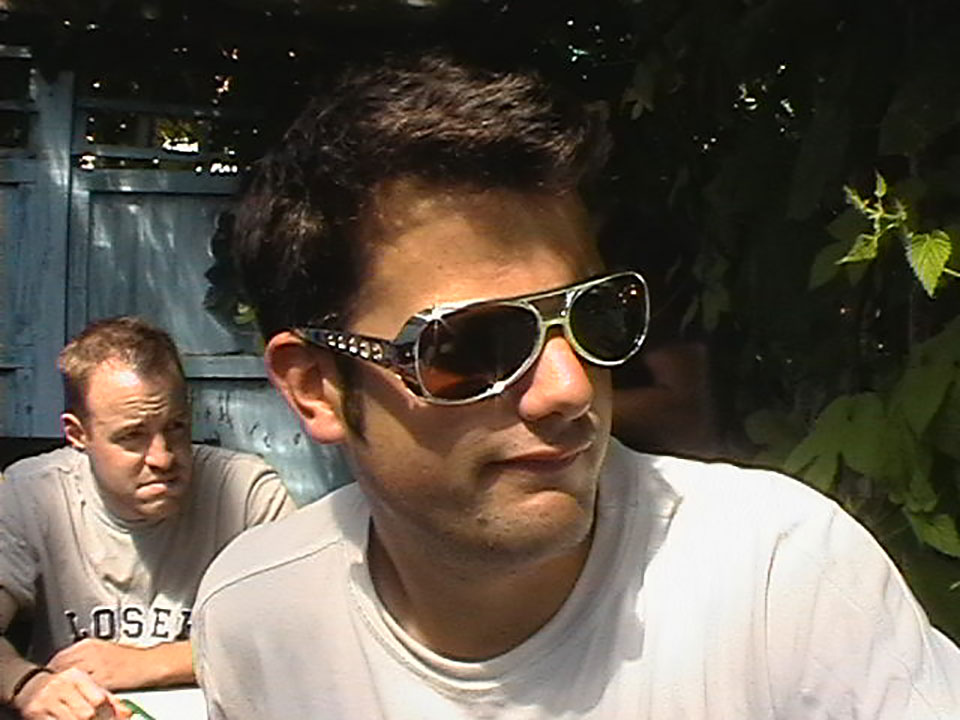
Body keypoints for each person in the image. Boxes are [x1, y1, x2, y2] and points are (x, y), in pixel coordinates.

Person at [192, 52, 960, 718]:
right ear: (317, 387)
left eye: (594, 317)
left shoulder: (776, 577)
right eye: (474, 344)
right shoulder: (260, 619)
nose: (568, 388)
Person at [0, 316, 296, 719]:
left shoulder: (246, 492)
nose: (163, 457)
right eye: (132, 436)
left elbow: (301, 632)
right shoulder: (31, 494)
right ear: (78, 434)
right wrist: (27, 684)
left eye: (176, 427)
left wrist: (152, 663)